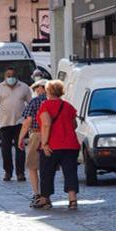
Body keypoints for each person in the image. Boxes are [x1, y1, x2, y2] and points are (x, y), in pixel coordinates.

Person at [32, 80, 80, 210]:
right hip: (70, 145)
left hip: (52, 145)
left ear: (48, 91)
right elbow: (74, 124)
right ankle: (72, 200)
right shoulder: (68, 106)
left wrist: (45, 143)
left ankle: (45, 199)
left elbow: (46, 124)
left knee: (46, 172)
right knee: (70, 172)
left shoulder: (45, 106)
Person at [0, 67, 32, 181]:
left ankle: (20, 173)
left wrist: (31, 119)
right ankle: (8, 172)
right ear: (4, 77)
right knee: (5, 149)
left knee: (20, 148)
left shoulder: (24, 87)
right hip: (5, 123)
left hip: (20, 123)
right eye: (8, 75)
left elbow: (30, 103)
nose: (10, 77)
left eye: (12, 75)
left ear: (16, 76)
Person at [18, 79, 47, 206]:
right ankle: (46, 194)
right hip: (52, 136)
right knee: (47, 167)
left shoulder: (35, 102)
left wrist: (20, 138)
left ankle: (37, 194)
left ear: (42, 88)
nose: (36, 91)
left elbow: (27, 121)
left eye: (37, 88)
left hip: (37, 134)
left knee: (32, 166)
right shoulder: (56, 101)